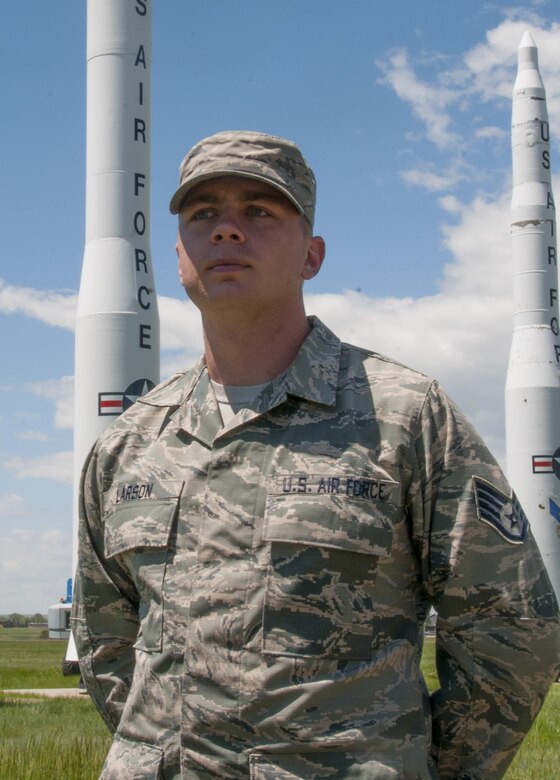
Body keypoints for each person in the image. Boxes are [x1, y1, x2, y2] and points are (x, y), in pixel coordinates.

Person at [72, 130, 560, 780]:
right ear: (180, 251)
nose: (225, 230)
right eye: (202, 214)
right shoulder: (128, 445)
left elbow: (513, 628)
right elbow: (107, 644)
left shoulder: (405, 418)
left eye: (260, 212)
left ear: (312, 255)